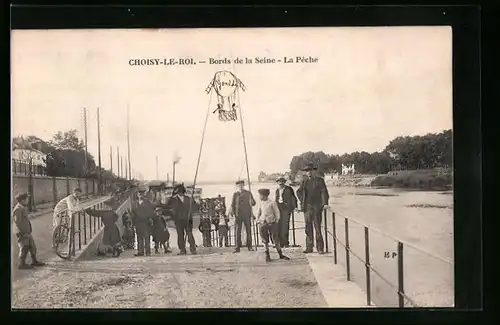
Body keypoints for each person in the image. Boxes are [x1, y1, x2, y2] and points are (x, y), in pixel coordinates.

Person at [296, 163, 329, 254]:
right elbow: (298, 191)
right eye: (307, 171)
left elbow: (324, 193)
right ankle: (309, 247)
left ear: (314, 171)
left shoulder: (320, 181)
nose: (309, 172)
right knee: (308, 228)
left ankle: (320, 248)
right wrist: (302, 201)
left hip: (317, 208)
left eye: (310, 170)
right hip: (307, 208)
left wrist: (325, 203)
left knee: (318, 228)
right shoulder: (305, 181)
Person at [12, 193, 46, 269]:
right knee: (24, 247)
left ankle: (34, 261)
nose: (28, 200)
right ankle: (22, 264)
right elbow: (18, 223)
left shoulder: (22, 208)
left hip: (27, 232)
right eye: (26, 199)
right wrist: (23, 233)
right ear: (22, 200)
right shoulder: (18, 209)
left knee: (32, 246)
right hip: (22, 232)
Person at [256, 188, 290, 262]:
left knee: (275, 239)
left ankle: (280, 254)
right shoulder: (261, 203)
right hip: (263, 223)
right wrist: (258, 220)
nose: (259, 197)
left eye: (260, 195)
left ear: (264, 195)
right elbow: (259, 213)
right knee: (264, 240)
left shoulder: (272, 203)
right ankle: (267, 255)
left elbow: (277, 213)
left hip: (272, 223)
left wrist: (276, 221)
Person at [229, 180, 256, 253]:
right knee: (238, 232)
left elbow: (254, 203)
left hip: (247, 214)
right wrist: (232, 213)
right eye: (239, 185)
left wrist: (251, 201)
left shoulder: (248, 193)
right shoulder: (235, 194)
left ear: (243, 185)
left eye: (241, 185)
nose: (240, 186)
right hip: (238, 215)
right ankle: (237, 247)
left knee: (248, 231)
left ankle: (250, 246)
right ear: (237, 186)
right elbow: (232, 204)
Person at [170, 184, 197, 255]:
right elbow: (170, 209)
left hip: (186, 219)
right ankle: (186, 249)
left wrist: (190, 213)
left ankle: (189, 249)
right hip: (180, 219)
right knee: (183, 235)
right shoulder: (175, 199)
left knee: (187, 234)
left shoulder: (188, 199)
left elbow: (195, 207)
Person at [275, 177, 298, 248]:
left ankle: (285, 242)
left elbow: (293, 198)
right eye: (279, 183)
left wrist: (295, 207)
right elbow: (276, 200)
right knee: (279, 225)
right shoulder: (277, 190)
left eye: (282, 182)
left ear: (284, 183)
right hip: (279, 208)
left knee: (285, 225)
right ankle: (280, 243)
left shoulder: (289, 189)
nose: (281, 184)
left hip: (286, 208)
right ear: (278, 183)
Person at [131, 191, 156, 256]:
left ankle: (148, 252)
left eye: (142, 194)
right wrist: (133, 222)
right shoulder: (135, 203)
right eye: (139, 194)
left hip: (145, 222)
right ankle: (140, 251)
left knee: (146, 237)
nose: (140, 195)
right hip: (138, 222)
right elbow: (133, 213)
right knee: (139, 238)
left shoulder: (147, 202)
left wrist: (150, 218)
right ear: (137, 195)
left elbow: (151, 210)